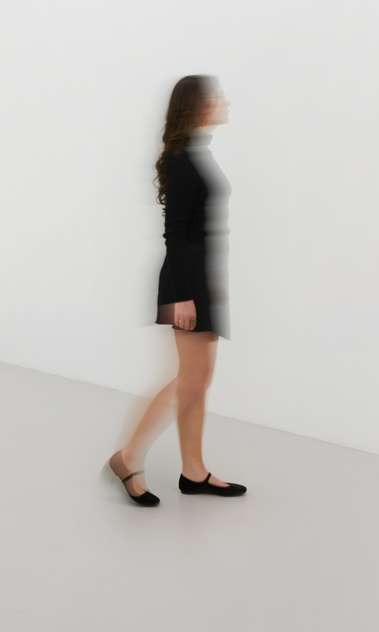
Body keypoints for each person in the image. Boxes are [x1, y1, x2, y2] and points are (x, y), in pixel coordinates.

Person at [106, 75, 247, 506]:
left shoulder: (195, 153)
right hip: (184, 284)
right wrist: (184, 294)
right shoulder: (184, 161)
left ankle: (194, 472)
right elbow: (176, 233)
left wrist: (211, 286)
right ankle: (127, 457)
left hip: (199, 280)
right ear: (198, 104)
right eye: (218, 96)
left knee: (198, 380)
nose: (225, 101)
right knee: (189, 379)